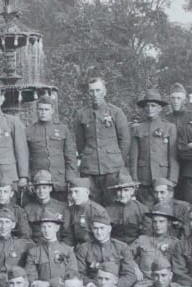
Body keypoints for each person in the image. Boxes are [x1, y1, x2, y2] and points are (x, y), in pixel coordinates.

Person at [73, 77, 130, 205]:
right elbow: (80, 142)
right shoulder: (81, 114)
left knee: (113, 203)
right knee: (91, 204)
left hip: (112, 168)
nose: (95, 94)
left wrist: (117, 160)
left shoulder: (116, 112)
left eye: (98, 90)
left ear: (105, 91)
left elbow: (125, 140)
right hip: (90, 169)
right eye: (91, 91)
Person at [129, 89, 178, 204]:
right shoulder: (138, 128)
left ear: (160, 108)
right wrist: (134, 178)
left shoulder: (169, 127)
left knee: (164, 210)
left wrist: (172, 179)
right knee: (145, 210)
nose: (150, 109)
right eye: (147, 106)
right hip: (143, 178)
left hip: (163, 177)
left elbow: (173, 156)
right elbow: (133, 157)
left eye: (153, 105)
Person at [26, 95, 78, 201]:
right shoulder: (29, 131)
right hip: (39, 183)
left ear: (52, 110)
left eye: (46, 109)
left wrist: (71, 178)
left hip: (59, 181)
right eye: (40, 109)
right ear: (36, 110)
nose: (43, 112)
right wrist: (29, 180)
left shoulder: (62, 129)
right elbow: (24, 159)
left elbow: (70, 157)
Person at [75, 210, 141, 287]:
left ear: (109, 229)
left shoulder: (122, 247)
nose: (99, 232)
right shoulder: (84, 248)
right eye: (95, 228)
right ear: (92, 229)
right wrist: (91, 285)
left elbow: (130, 274)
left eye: (102, 228)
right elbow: (79, 273)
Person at [0, 86, 29, 192]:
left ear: (1, 100)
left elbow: (21, 151)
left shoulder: (13, 122)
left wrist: (23, 176)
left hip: (9, 177)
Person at [106, 172, 147, 244]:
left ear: (132, 191)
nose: (122, 195)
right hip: (115, 247)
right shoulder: (108, 210)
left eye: (126, 190)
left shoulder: (142, 209)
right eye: (119, 190)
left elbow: (146, 235)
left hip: (136, 247)